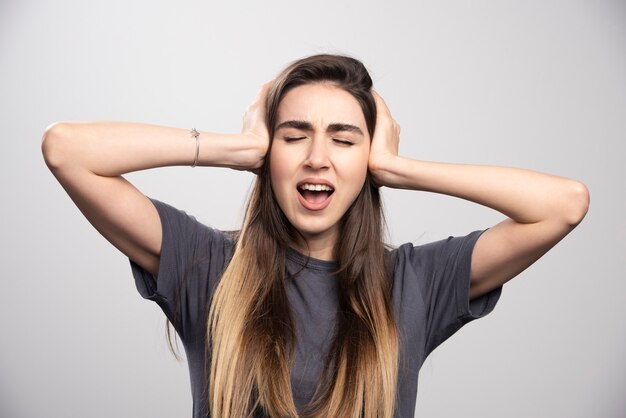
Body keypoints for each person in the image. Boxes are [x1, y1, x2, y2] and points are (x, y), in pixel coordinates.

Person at [41, 53, 589, 418]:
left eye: (344, 141)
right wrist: (238, 148)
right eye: (294, 136)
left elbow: (564, 205)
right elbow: (67, 150)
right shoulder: (207, 265)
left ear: (368, 161)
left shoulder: (415, 282)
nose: (317, 159)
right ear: (268, 152)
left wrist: (399, 169)